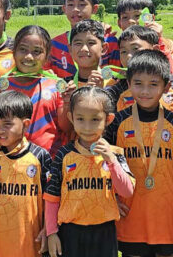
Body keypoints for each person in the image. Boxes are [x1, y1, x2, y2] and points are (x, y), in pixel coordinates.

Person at [102, 50, 173, 257]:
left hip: (166, 212)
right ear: (129, 84)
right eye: (138, 83)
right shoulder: (117, 123)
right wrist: (110, 198)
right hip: (131, 213)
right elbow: (103, 165)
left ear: (166, 86)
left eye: (153, 84)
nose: (145, 91)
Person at [44, 87, 135, 257]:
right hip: (70, 232)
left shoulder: (115, 153)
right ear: (71, 117)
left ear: (108, 119)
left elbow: (127, 191)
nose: (87, 127)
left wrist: (111, 161)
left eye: (95, 119)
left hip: (104, 232)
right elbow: (52, 197)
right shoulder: (64, 155)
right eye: (80, 119)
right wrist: (51, 233)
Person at [0, 90, 53, 257]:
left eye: (7, 124)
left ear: (25, 124)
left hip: (30, 239)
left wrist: (48, 229)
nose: (0, 130)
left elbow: (50, 197)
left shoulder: (40, 156)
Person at [0, 25, 69, 154]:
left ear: (47, 57)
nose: (29, 57)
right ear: (13, 52)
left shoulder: (56, 87)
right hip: (7, 164)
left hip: (46, 165)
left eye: (37, 51)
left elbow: (67, 128)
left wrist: (67, 101)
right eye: (23, 49)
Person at [105, 25, 173, 113]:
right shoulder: (116, 89)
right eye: (123, 52)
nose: (129, 56)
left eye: (135, 49)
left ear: (155, 50)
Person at [46, 0, 108, 79]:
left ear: (95, 8)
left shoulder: (109, 40)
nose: (75, 9)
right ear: (64, 9)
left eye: (82, 4)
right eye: (70, 4)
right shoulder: (54, 45)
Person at [109, 0, 173, 67]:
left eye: (137, 15)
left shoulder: (168, 45)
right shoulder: (114, 46)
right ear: (119, 23)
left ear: (151, 18)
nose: (131, 21)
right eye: (125, 17)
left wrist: (159, 40)